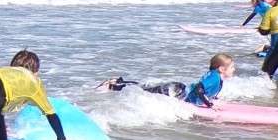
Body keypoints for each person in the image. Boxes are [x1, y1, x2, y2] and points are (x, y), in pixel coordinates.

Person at [100, 53, 236, 108]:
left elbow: (207, 91)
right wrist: (211, 106)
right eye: (232, 67)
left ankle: (119, 81)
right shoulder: (214, 77)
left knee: (145, 89)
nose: (234, 69)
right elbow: (198, 89)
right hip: (175, 91)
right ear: (222, 69)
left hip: (178, 89)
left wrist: (216, 100)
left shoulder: (217, 77)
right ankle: (113, 86)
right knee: (143, 91)